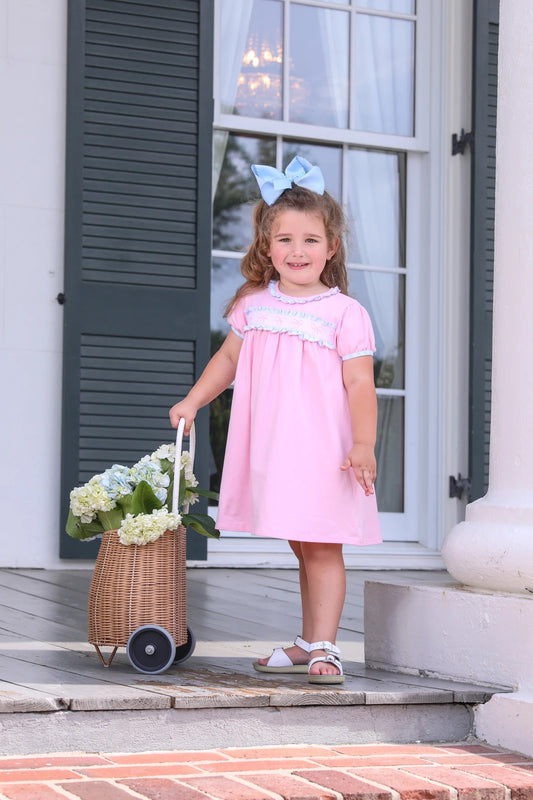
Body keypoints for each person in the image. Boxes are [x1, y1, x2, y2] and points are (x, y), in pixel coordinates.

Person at [170, 156, 381, 685]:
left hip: (324, 450)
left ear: (331, 248)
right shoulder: (253, 304)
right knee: (300, 541)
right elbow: (226, 362)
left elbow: (360, 383)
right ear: (267, 248)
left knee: (322, 541)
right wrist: (193, 402)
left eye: (311, 240)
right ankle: (309, 640)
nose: (297, 251)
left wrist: (364, 443)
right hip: (274, 446)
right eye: (285, 240)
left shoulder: (344, 313)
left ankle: (327, 646)